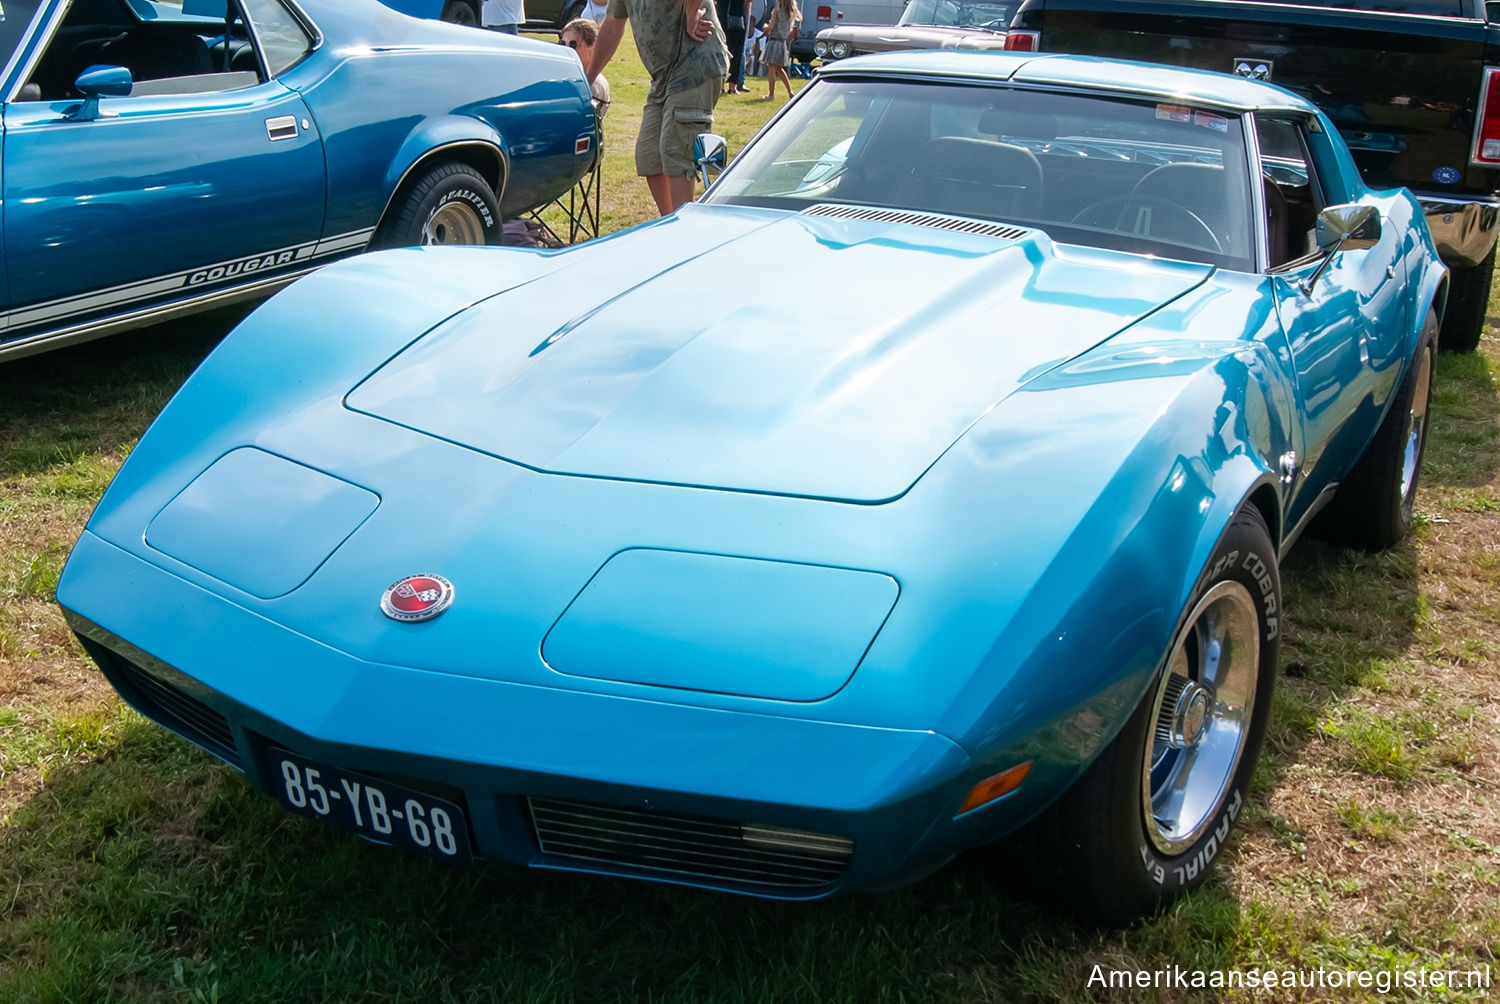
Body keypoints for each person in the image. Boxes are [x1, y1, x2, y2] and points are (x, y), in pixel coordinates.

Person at [587, 0, 730, 216]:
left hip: (695, 64)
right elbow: (613, 25)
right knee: (649, 155)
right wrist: (588, 78)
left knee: (675, 151)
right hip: (663, 76)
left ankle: (684, 231)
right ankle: (670, 222)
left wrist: (691, 15)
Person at [561, 17, 611, 118]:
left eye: (573, 45)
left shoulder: (594, 84)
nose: (566, 50)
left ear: (592, 47)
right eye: (562, 44)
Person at [761, 0, 798, 101]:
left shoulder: (777, 11)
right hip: (782, 42)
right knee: (779, 68)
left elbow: (771, 26)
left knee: (771, 68)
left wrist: (765, 26)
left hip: (774, 41)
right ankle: (790, 92)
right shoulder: (790, 13)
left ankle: (771, 94)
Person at [716, 0, 752, 93]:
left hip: (721, 17)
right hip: (737, 18)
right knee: (736, 53)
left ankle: (721, 85)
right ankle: (732, 87)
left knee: (722, 52)